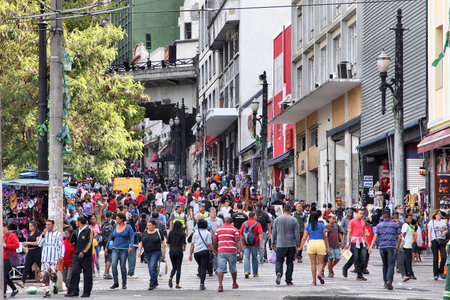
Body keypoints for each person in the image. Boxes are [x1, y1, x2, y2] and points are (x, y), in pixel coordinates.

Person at [368, 209, 402, 290]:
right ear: (390, 216)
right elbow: (399, 237)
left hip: (382, 247)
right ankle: (389, 280)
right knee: (391, 264)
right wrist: (398, 246)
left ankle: (385, 281)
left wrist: (371, 246)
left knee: (385, 264)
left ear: (383, 217)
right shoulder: (395, 225)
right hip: (391, 246)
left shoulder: (379, 225)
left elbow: (375, 236)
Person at [271, 204, 301, 286]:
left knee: (279, 261)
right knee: (290, 262)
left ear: (283, 209)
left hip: (280, 244)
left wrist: (273, 242)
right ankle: (288, 280)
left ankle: (279, 272)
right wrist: (298, 244)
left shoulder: (277, 219)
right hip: (291, 245)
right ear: (290, 210)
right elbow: (297, 234)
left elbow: (274, 232)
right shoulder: (294, 220)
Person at [66, 216, 94, 298]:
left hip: (86, 256)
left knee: (87, 274)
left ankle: (86, 291)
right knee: (75, 272)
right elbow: (73, 241)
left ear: (80, 222)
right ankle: (74, 291)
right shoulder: (76, 231)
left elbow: (89, 242)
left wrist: (84, 252)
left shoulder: (89, 230)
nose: (75, 223)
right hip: (77, 254)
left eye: (77, 221)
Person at [300, 211, 330, 285]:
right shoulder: (321, 225)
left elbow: (304, 238)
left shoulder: (308, 226)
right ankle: (319, 274)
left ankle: (314, 280)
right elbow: (325, 237)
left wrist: (300, 246)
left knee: (313, 264)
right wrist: (327, 247)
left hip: (311, 243)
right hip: (320, 243)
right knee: (320, 263)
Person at [106, 212, 134, 290]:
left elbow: (132, 237)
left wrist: (131, 246)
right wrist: (106, 247)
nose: (116, 220)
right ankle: (115, 282)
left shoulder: (128, 227)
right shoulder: (115, 226)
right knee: (114, 265)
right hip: (115, 248)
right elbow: (111, 237)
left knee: (122, 266)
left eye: (118, 219)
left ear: (122, 219)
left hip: (124, 249)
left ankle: (124, 283)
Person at [215, 216, 241, 292]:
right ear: (231, 222)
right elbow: (237, 240)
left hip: (221, 251)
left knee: (220, 268)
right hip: (231, 251)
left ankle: (220, 285)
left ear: (224, 221)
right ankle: (234, 283)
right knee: (233, 267)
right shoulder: (234, 229)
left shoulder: (218, 230)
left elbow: (215, 241)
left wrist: (216, 250)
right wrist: (240, 250)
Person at [138, 219, 166, 290]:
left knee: (152, 266)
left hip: (156, 252)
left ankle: (152, 282)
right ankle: (155, 280)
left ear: (154, 225)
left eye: (150, 225)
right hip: (147, 252)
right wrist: (139, 251)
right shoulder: (145, 232)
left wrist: (164, 252)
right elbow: (141, 242)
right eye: (148, 225)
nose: (149, 227)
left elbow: (163, 242)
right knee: (151, 267)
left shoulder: (158, 232)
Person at [39, 219, 64, 298]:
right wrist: (43, 235)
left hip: (54, 257)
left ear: (52, 225)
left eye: (49, 225)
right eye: (46, 225)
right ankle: (47, 290)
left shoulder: (57, 234)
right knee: (45, 274)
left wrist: (61, 255)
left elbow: (61, 245)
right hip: (45, 258)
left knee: (52, 274)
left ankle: (55, 285)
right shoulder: (44, 234)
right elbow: (40, 244)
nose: (47, 226)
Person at [189, 219, 217, 290]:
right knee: (204, 268)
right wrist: (215, 251)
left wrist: (190, 254)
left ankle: (201, 280)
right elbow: (209, 244)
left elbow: (192, 244)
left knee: (201, 266)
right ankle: (202, 283)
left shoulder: (195, 233)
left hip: (196, 253)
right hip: (204, 252)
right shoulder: (208, 233)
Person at [343, 208, 369, 281]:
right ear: (357, 213)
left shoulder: (363, 223)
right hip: (354, 241)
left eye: (362, 214)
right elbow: (349, 233)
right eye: (360, 213)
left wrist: (367, 244)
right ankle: (346, 267)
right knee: (354, 257)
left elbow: (364, 234)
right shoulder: (352, 222)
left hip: (362, 241)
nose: (361, 215)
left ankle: (359, 274)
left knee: (363, 258)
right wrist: (348, 242)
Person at [240, 211, 263, 278]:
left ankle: (246, 271)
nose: (256, 216)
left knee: (246, 257)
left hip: (246, 243)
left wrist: (241, 243)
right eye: (256, 215)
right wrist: (261, 244)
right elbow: (260, 234)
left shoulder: (244, 223)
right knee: (254, 257)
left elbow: (241, 233)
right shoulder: (257, 224)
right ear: (253, 216)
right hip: (254, 243)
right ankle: (255, 273)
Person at [428, 209, 448, 281]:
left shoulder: (443, 222)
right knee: (435, 257)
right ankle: (435, 273)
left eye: (440, 213)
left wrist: (444, 232)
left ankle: (441, 271)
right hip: (434, 240)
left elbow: (446, 229)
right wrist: (429, 241)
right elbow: (429, 232)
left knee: (443, 256)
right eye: (438, 213)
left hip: (442, 241)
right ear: (435, 215)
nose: (440, 215)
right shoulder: (432, 222)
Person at [20, 221, 41, 286]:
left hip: (36, 251)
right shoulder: (29, 233)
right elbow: (27, 241)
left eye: (31, 226)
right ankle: (22, 281)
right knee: (27, 266)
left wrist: (29, 243)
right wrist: (25, 244)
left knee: (40, 265)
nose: (30, 227)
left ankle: (45, 280)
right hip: (30, 251)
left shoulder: (37, 233)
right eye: (29, 226)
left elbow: (38, 243)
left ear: (35, 226)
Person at [167, 221, 186, 289]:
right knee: (178, 267)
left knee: (174, 266)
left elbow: (168, 243)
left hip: (172, 251)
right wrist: (184, 249)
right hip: (179, 251)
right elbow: (184, 243)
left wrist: (171, 248)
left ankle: (171, 277)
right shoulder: (182, 233)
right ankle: (177, 283)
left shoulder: (171, 233)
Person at [3, 222, 19, 298]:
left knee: (4, 275)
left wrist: (7, 245)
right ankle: (14, 289)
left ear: (6, 227)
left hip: (8, 258)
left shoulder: (12, 235)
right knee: (6, 276)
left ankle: (3, 291)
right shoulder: (1, 236)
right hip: (2, 258)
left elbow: (17, 245)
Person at [325, 214, 343, 278]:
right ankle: (330, 272)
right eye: (332, 218)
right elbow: (325, 237)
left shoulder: (337, 226)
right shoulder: (326, 227)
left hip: (336, 245)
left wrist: (342, 242)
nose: (334, 220)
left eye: (334, 218)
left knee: (338, 257)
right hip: (329, 245)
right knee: (330, 258)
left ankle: (330, 268)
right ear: (329, 219)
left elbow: (340, 234)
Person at [101, 211, 115, 279]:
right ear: (111, 215)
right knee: (109, 257)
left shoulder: (103, 223)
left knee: (107, 257)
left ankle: (106, 272)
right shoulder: (113, 222)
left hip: (104, 242)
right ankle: (106, 273)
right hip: (111, 242)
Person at [402, 213, 416, 280]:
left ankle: (407, 273)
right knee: (408, 260)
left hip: (408, 245)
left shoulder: (409, 226)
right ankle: (410, 273)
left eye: (411, 218)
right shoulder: (405, 225)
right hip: (406, 245)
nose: (410, 220)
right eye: (409, 218)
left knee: (407, 260)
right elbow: (403, 234)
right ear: (406, 218)